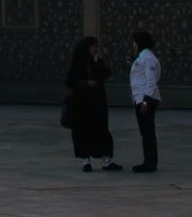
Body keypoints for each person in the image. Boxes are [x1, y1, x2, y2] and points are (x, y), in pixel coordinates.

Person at [65, 36, 121, 172]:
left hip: (97, 103)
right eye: (94, 46)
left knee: (102, 130)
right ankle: (86, 161)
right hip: (82, 104)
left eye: (97, 46)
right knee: (82, 132)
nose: (96, 49)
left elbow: (106, 74)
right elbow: (70, 81)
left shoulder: (97, 61)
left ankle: (106, 161)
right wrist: (85, 83)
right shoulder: (78, 63)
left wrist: (98, 63)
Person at [129, 30, 161, 173]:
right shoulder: (142, 56)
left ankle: (149, 163)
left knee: (147, 132)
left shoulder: (147, 58)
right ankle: (149, 161)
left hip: (145, 99)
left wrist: (145, 101)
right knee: (146, 132)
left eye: (135, 42)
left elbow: (151, 80)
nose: (133, 45)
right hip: (141, 99)